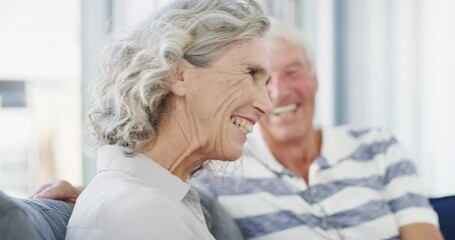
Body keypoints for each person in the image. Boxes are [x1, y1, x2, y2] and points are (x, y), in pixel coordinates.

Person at [34, 18, 443, 240]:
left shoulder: (376, 146)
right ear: (178, 75)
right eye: (255, 74)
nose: (271, 99)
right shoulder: (226, 162)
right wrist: (98, 193)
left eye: (291, 73)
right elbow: (147, 192)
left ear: (317, 79)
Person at [59, 0, 272, 239]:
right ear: (178, 75)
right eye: (251, 73)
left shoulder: (153, 201)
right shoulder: (142, 213)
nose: (266, 105)